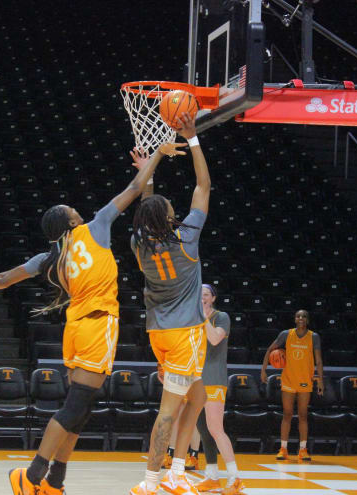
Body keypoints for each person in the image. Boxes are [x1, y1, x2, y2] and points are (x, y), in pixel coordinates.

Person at [0, 139, 183, 495]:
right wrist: (156, 157)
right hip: (97, 324)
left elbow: (3, 279)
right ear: (70, 220)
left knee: (81, 408)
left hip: (75, 329)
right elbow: (136, 190)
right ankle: (31, 477)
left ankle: (56, 482)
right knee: (75, 406)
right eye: (72, 208)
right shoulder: (96, 226)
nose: (77, 209)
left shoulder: (49, 259)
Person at [129, 112, 211, 495]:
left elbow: (146, 212)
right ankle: (150, 482)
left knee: (198, 396)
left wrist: (150, 167)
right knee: (168, 412)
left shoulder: (138, 244)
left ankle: (178, 473)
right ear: (168, 217)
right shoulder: (187, 239)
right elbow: (203, 187)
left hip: (158, 332)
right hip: (184, 335)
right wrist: (192, 139)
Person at [193, 283, 245, 494]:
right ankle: (212, 476)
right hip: (195, 378)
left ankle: (235, 479)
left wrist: (203, 318)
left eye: (206, 294)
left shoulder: (221, 317)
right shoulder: (193, 319)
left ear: (213, 298)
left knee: (215, 429)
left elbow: (214, 339)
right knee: (203, 429)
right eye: (199, 295)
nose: (202, 297)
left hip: (214, 377)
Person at [261, 309, 323, 462]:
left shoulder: (313, 337)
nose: (301, 318)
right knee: (287, 414)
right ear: (295, 319)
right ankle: (283, 448)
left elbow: (319, 360)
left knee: (303, 415)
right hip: (288, 379)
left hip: (305, 380)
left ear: (307, 320)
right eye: (298, 316)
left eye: (304, 316)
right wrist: (263, 370)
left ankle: (303, 450)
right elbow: (270, 350)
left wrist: (320, 379)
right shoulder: (286, 334)